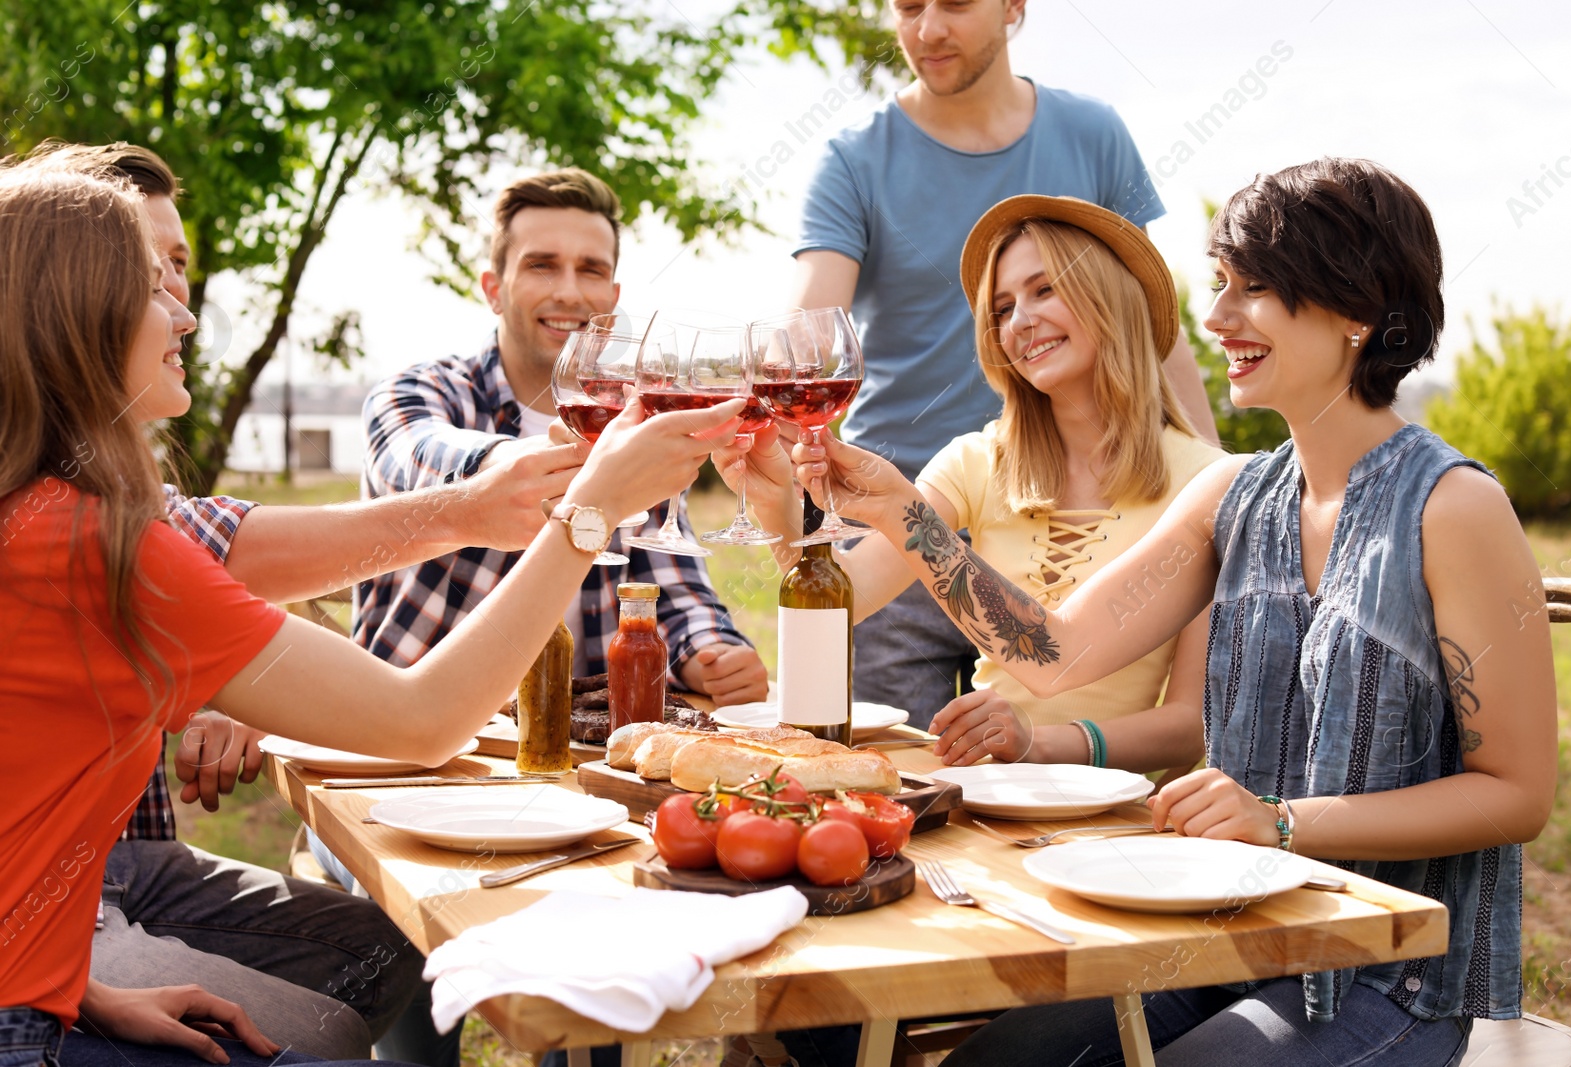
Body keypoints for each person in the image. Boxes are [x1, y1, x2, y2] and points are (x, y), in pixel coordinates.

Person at [793, 157, 1555, 1066]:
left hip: (1383, 974)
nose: (1219, 318)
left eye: (1257, 289)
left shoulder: (1452, 507)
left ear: (1359, 309)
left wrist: (1278, 820)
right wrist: (898, 510)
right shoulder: (1235, 492)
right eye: (1221, 286)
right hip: (1219, 932)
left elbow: (1517, 794)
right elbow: (1053, 650)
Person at [0, 156, 744, 1067]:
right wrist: (585, 513)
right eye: (155, 288)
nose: (186, 314)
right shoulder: (104, 550)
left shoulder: (40, 519)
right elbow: (422, 721)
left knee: (342, 1005)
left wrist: (79, 984)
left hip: (40, 991)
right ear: (79, 318)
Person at [790, 0, 1220, 728]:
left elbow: (1148, 314)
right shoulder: (855, 159)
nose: (926, 30)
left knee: (1045, 734)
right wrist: (783, 459)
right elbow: (809, 334)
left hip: (1094, 502)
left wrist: (1211, 481)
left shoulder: (1093, 136)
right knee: (900, 771)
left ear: (1014, 8)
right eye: (907, 7)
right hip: (909, 506)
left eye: (953, 4)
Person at [725, 197, 1224, 772]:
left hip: (1113, 819)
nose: (1020, 321)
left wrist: (1041, 742)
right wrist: (772, 503)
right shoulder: (975, 460)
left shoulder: (1208, 481)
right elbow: (841, 600)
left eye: (1044, 290)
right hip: (986, 794)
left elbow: (1188, 726)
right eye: (1003, 308)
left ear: (1111, 297)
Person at [355, 167, 766, 701]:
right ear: (494, 290)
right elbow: (418, 463)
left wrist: (711, 653)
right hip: (404, 732)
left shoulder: (632, 422)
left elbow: (671, 581)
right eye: (542, 266)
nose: (569, 292)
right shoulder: (417, 393)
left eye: (590, 270)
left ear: (612, 300)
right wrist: (546, 469)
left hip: (572, 745)